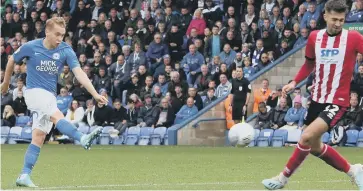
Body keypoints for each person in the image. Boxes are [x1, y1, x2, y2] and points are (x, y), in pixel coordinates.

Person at [262, 1, 363, 189]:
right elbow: (309, 64)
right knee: (314, 146)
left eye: (342, 20)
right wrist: (294, 82)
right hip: (316, 99)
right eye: (334, 19)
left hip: (337, 101)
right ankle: (354, 170)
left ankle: (282, 179)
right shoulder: (315, 37)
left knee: (306, 137)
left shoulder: (354, 38)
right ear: (325, 16)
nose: (338, 23)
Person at [0, 17, 108, 187]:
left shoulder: (65, 50)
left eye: (62, 35)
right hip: (34, 93)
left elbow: (79, 73)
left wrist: (95, 94)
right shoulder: (31, 46)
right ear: (47, 32)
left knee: (39, 136)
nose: (60, 39)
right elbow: (12, 59)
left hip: (50, 96)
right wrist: (6, 83)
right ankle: (82, 137)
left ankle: (24, 175)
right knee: (56, 116)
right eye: (57, 34)